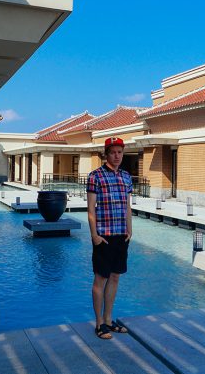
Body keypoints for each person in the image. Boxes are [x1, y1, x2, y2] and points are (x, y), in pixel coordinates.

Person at [86, 137, 133, 339]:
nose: (116, 156)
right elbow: (90, 209)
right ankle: (99, 325)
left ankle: (108, 320)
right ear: (106, 154)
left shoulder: (126, 176)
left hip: (121, 235)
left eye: (120, 152)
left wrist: (129, 230)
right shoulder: (95, 176)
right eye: (113, 152)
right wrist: (94, 235)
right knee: (101, 279)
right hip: (103, 236)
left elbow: (127, 206)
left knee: (115, 277)